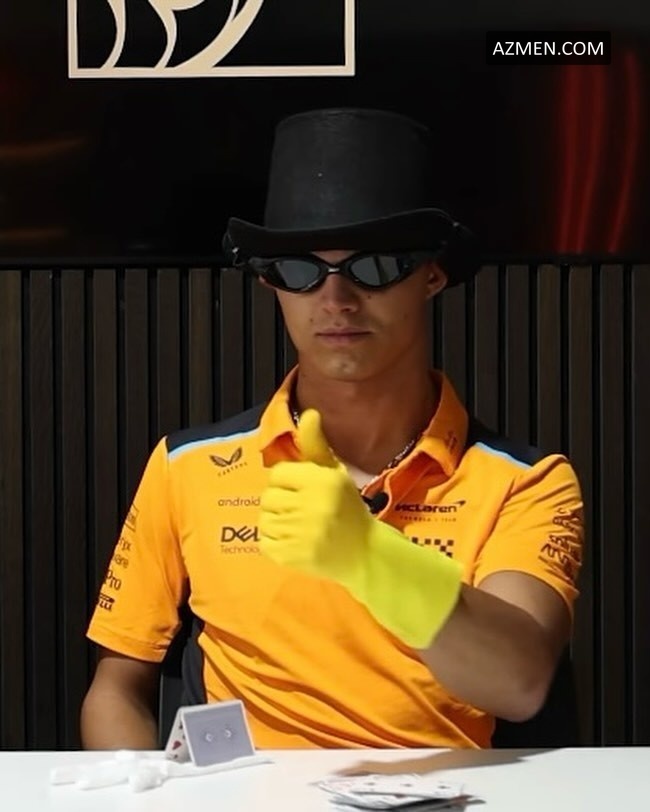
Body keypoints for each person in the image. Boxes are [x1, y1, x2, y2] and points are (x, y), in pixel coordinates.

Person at [81, 108, 583, 750]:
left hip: (442, 792)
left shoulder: (527, 483)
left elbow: (519, 684)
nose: (337, 299)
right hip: (242, 793)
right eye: (300, 269)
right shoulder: (188, 467)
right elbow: (116, 689)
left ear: (432, 274)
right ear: (272, 284)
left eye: (375, 266)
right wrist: (144, 791)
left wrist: (367, 556)